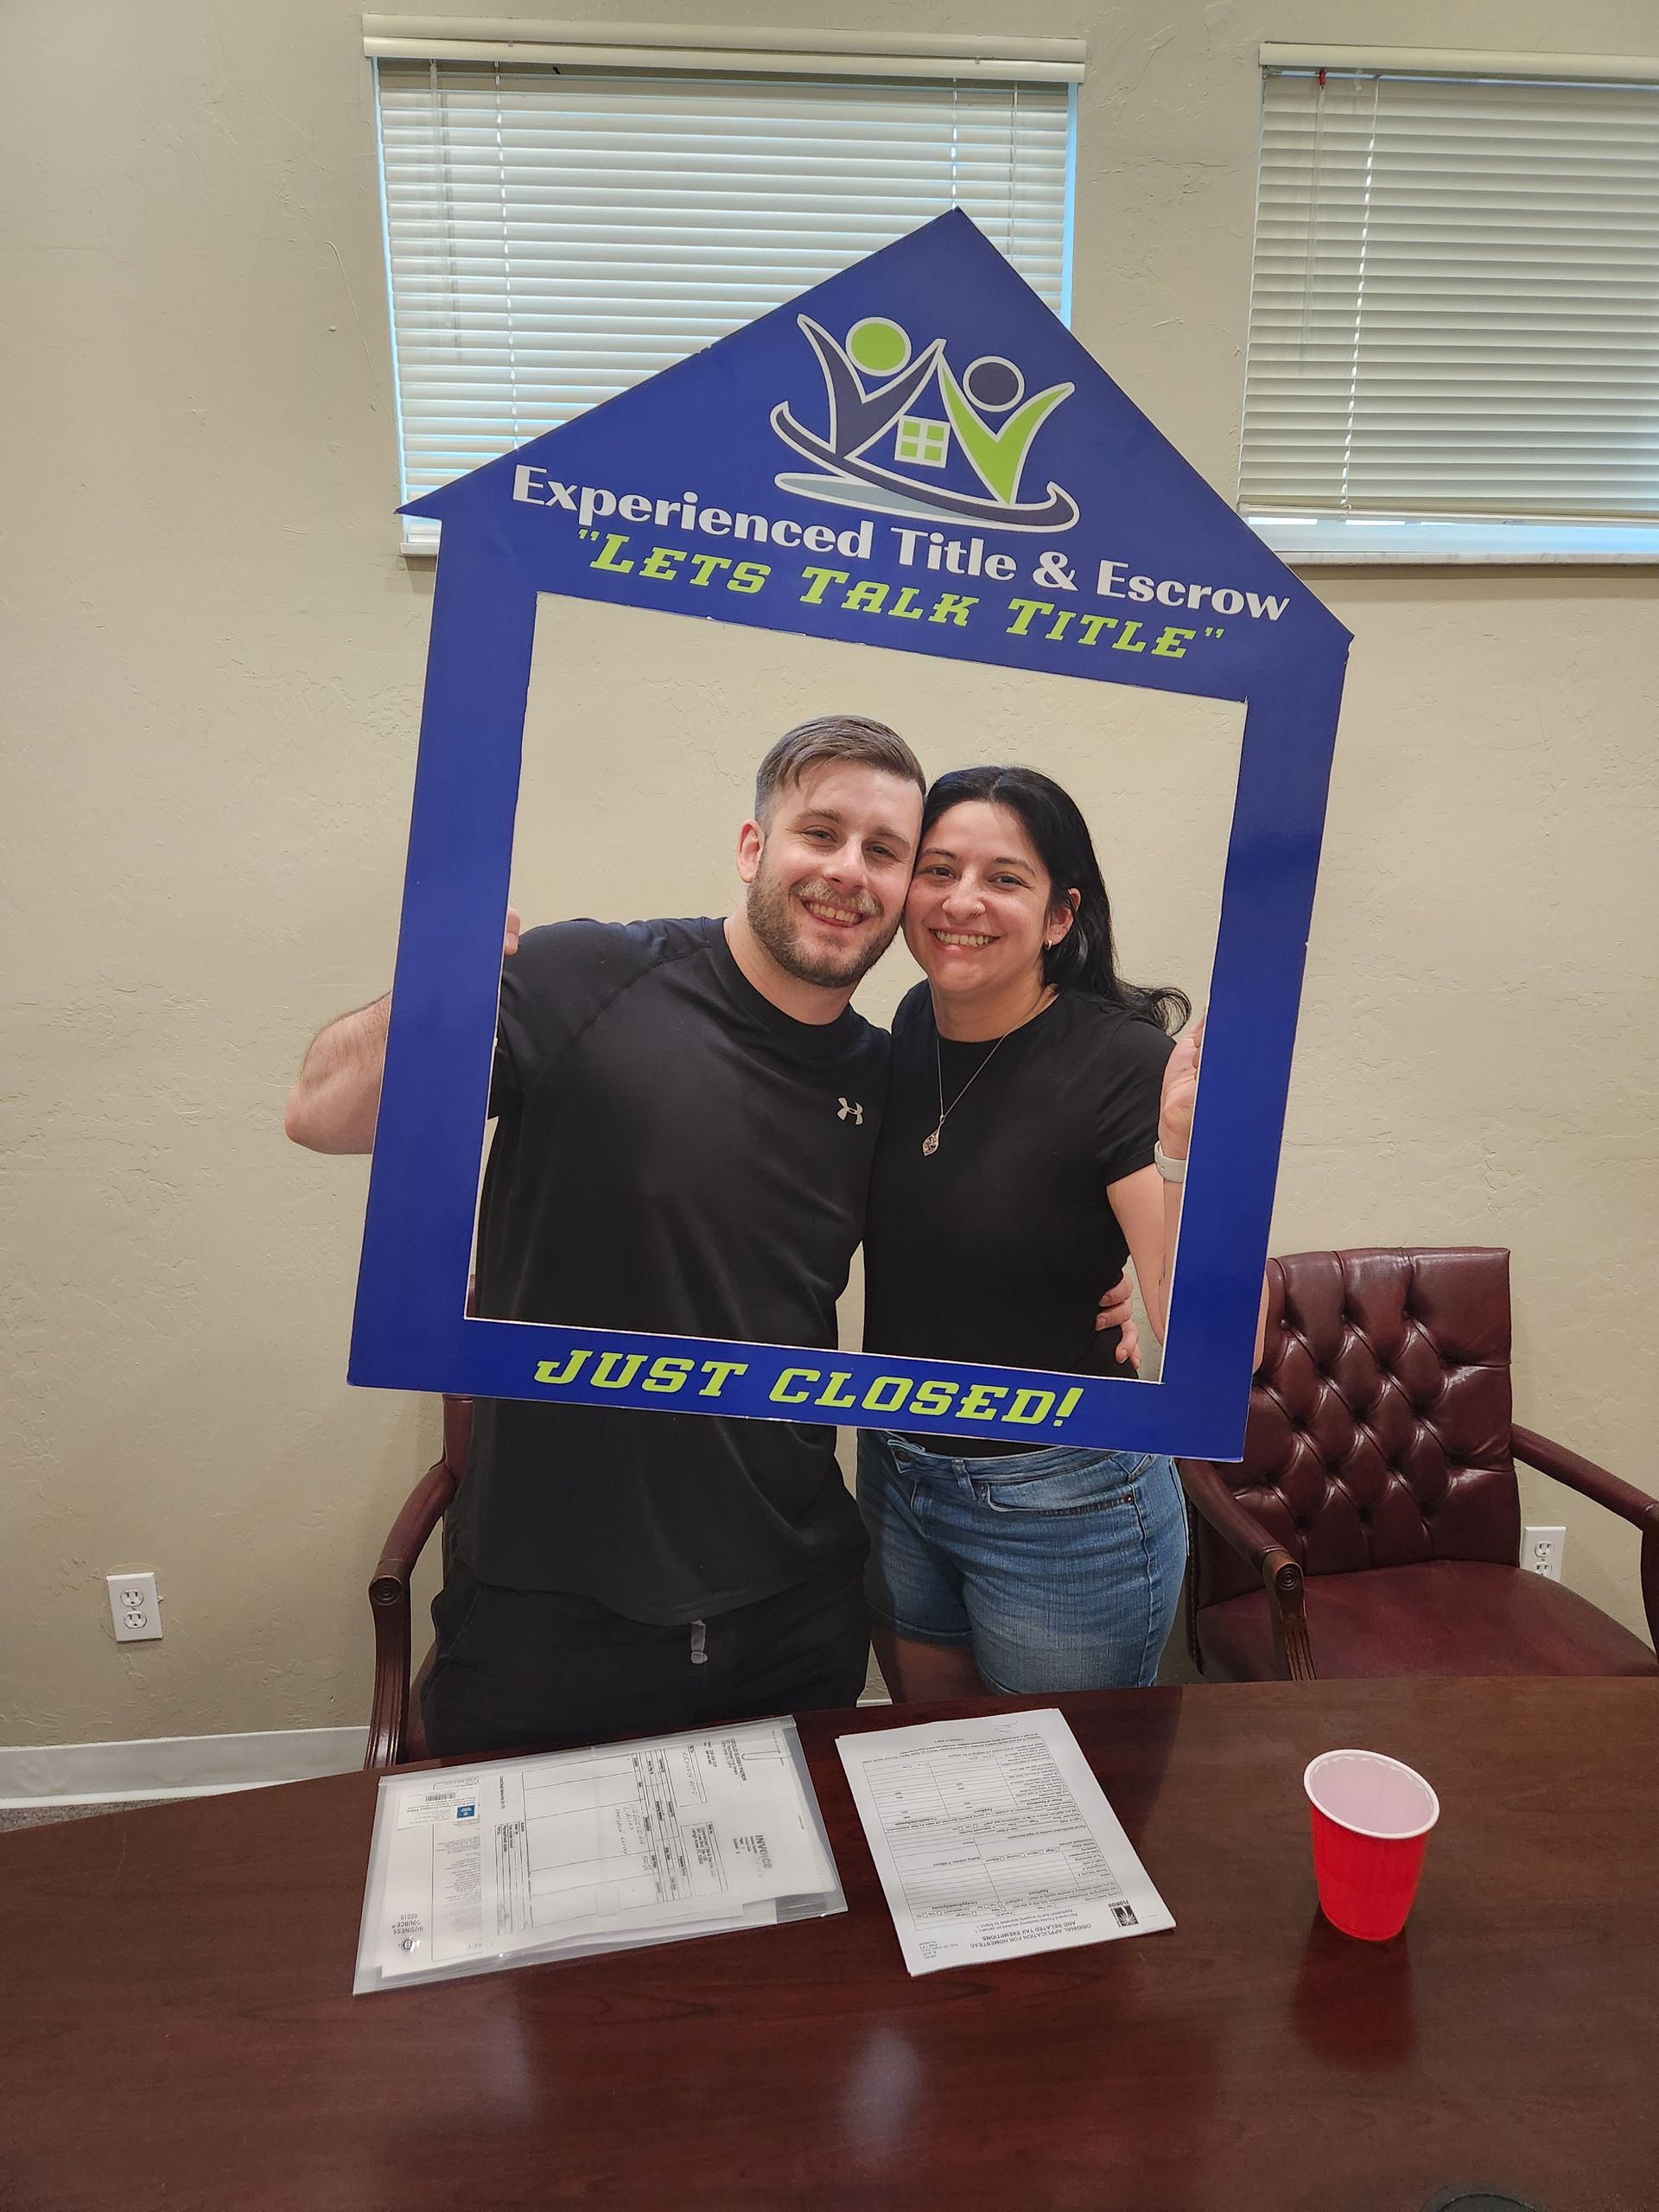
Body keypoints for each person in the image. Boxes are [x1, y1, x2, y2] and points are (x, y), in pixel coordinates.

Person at [286, 715, 930, 1754]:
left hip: (794, 1602)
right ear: (754, 847)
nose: (849, 870)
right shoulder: (588, 975)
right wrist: (432, 993)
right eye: (822, 832)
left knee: (801, 1867)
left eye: (884, 850)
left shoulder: (884, 1073)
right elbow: (322, 1113)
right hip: (550, 1607)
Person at [858, 764, 1203, 1702]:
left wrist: (1185, 1156)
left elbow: (1217, 1344)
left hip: (1063, 1503)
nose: (962, 900)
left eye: (1004, 878)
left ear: (1059, 915)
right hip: (899, 1469)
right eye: (938, 869)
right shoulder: (915, 1020)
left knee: (1064, 1784)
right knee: (931, 1763)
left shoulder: (1124, 1063)